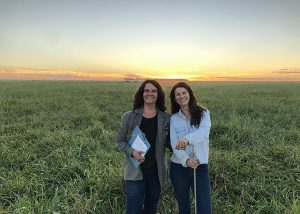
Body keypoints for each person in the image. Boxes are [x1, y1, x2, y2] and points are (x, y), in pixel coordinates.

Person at [116, 80, 170, 214]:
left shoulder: (166, 118)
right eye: (147, 90)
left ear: (159, 94)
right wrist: (132, 152)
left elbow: (171, 143)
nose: (150, 93)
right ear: (142, 93)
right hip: (134, 173)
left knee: (151, 209)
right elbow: (120, 141)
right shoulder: (129, 116)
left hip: (156, 174)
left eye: (154, 91)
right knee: (133, 210)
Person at [169, 82, 212, 214]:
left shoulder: (203, 113)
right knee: (184, 205)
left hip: (199, 167)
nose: (181, 96)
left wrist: (187, 139)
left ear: (189, 94)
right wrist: (186, 160)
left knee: (203, 206)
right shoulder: (174, 118)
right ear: (175, 98)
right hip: (178, 167)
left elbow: (203, 133)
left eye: (184, 93)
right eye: (178, 94)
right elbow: (174, 143)